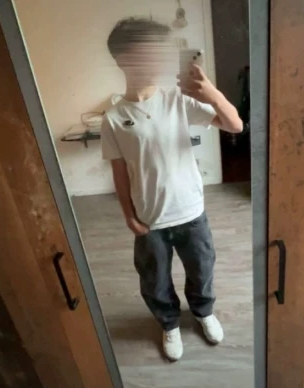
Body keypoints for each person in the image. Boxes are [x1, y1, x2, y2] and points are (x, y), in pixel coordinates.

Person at [101, 17, 242, 361]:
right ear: (123, 59)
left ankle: (203, 312)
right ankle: (169, 323)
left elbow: (235, 125)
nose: (159, 61)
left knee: (202, 269)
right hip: (150, 219)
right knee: (154, 279)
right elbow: (120, 173)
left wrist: (211, 94)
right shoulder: (114, 118)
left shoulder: (178, 100)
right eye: (150, 52)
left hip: (191, 212)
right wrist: (129, 216)